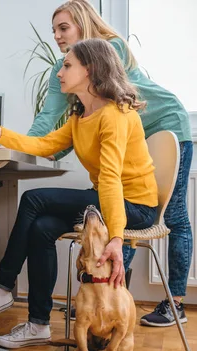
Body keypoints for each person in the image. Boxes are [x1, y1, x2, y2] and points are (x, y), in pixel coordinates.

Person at [0, 38, 158, 349]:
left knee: (34, 199)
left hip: (135, 205)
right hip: (109, 200)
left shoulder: (116, 115)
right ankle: (39, 324)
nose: (59, 73)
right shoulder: (81, 117)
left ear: (89, 70)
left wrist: (117, 237)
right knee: (41, 229)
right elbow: (46, 145)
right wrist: (2, 134)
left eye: (67, 66)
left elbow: (110, 179)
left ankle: (1, 287)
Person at [36, 0, 192, 326]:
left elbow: (103, 105)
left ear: (83, 24)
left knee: (174, 214)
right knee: (116, 207)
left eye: (63, 28)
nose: (57, 36)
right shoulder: (62, 69)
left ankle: (174, 301)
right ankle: (110, 299)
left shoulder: (109, 50)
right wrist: (33, 148)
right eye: (54, 30)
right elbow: (52, 117)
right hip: (134, 132)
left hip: (167, 123)